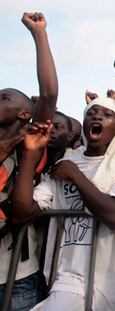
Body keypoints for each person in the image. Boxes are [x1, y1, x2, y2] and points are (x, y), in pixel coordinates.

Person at [11, 97, 115, 310]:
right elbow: (21, 212)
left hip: (112, 279)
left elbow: (114, 215)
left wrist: (76, 176)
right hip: (69, 278)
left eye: (107, 114)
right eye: (91, 112)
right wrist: (31, 155)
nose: (97, 116)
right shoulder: (65, 163)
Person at [0, 11, 58, 311]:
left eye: (4, 98)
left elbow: (48, 94)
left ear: (25, 113)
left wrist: (39, 34)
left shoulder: (29, 144)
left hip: (16, 276)